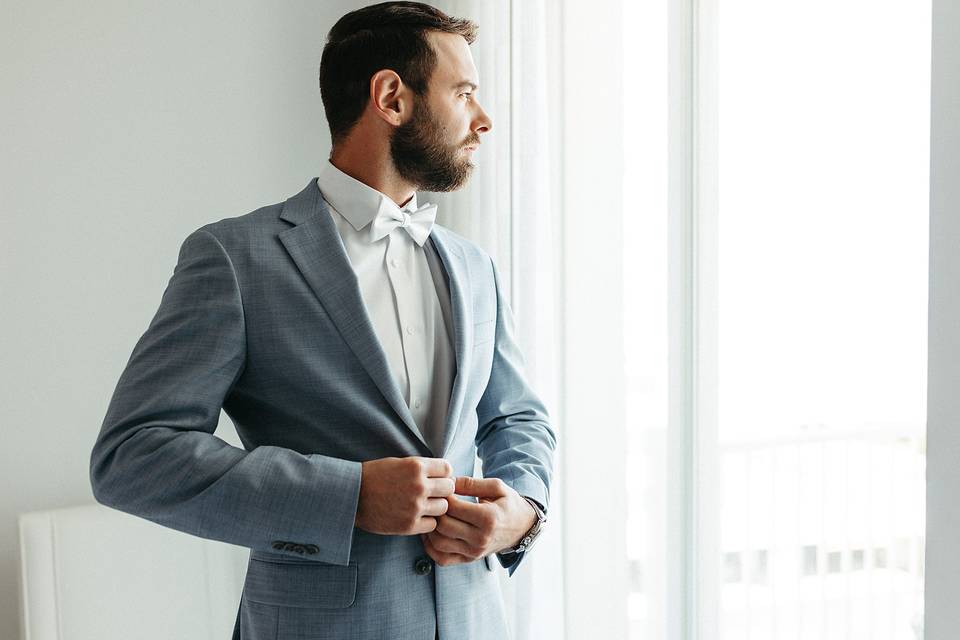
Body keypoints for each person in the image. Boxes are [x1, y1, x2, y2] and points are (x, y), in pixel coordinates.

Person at [88, 2, 556, 639]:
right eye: (465, 92)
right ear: (391, 96)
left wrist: (522, 510)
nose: (484, 119)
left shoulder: (474, 266)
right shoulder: (235, 258)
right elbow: (133, 457)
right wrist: (349, 496)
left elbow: (516, 417)